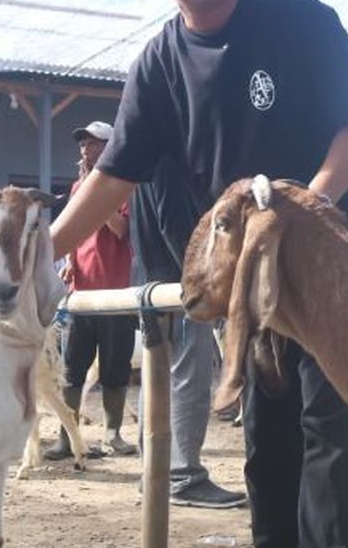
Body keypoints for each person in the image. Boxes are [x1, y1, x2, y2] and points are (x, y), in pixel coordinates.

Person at [50, 0, 348, 547]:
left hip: (339, 260)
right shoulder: (157, 66)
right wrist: (42, 254)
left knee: (333, 426)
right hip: (257, 277)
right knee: (270, 429)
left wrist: (304, 212)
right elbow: (113, 176)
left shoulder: (300, 20)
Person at [131, 153, 247, 508]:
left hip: (150, 281)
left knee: (157, 377)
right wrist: (203, 282)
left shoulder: (146, 162)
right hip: (179, 286)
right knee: (188, 379)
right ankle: (181, 475)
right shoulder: (172, 162)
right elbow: (175, 225)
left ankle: (156, 469)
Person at [45, 122, 138, 459]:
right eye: (83, 143)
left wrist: (97, 197)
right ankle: (67, 437)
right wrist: (68, 260)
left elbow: (120, 229)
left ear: (110, 147)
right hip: (81, 292)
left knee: (115, 368)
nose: (85, 148)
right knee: (72, 366)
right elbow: (73, 230)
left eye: (94, 143)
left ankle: (112, 435)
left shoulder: (126, 187)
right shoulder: (77, 187)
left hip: (116, 292)